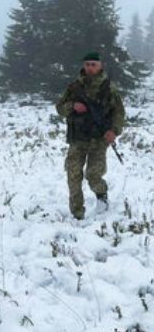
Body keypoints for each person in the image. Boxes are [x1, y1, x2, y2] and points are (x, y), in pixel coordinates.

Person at [55, 51, 125, 220]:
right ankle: (77, 213)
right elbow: (59, 108)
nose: (90, 68)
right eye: (87, 64)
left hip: (99, 139)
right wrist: (73, 106)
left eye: (93, 64)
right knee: (73, 174)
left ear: (100, 65)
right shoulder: (74, 87)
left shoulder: (109, 88)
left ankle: (102, 195)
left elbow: (119, 113)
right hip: (77, 138)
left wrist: (113, 131)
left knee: (93, 176)